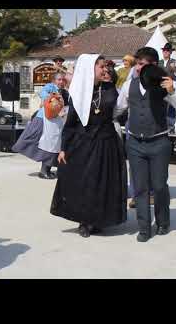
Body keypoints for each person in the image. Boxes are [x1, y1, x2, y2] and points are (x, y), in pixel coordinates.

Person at [114, 47, 176, 242]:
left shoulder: (164, 85)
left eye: (144, 65)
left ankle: (163, 221)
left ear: (154, 66)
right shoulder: (128, 86)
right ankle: (143, 228)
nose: (140, 68)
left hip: (159, 142)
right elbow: (117, 109)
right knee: (139, 188)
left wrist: (173, 91)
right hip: (134, 143)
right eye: (138, 64)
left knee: (158, 186)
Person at [50, 54, 127, 238]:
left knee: (104, 183)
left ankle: (99, 218)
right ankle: (84, 220)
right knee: (85, 182)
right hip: (84, 143)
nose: (105, 70)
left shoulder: (110, 89)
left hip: (107, 142)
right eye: (100, 67)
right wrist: (63, 148)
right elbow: (70, 123)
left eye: (105, 67)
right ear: (89, 69)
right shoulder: (78, 93)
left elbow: (119, 113)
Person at [12, 73, 68, 179]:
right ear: (54, 80)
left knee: (52, 146)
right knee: (47, 145)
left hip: (54, 122)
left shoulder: (63, 91)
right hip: (44, 120)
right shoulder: (50, 87)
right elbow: (43, 93)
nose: (61, 82)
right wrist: (53, 98)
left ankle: (47, 170)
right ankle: (44, 171)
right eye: (59, 79)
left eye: (62, 80)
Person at [159, 43, 176, 134]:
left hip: (170, 86)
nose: (165, 52)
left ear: (170, 52)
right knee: (161, 106)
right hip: (160, 87)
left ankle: (171, 126)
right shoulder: (159, 62)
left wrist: (174, 68)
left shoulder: (173, 61)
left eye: (167, 51)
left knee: (171, 106)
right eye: (164, 50)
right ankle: (162, 126)